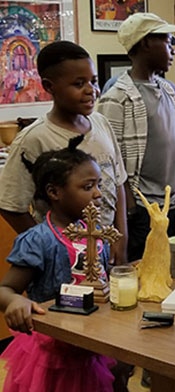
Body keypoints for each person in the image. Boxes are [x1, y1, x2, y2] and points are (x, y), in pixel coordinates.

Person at [0, 137, 129, 392]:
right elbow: (6, 288)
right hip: (56, 351)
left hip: (93, 342)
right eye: (87, 187)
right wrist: (13, 302)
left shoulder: (97, 234)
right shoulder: (38, 240)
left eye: (98, 184)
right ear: (54, 192)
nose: (97, 194)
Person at [0, 41, 128, 265]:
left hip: (106, 248)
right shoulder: (34, 139)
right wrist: (50, 244)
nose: (91, 90)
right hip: (66, 259)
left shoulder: (102, 124)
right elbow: (11, 206)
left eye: (93, 81)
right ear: (50, 86)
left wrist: (121, 236)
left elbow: (118, 182)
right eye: (79, 84)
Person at [97, 12, 175, 262]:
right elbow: (109, 157)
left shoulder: (169, 89)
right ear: (146, 43)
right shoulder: (116, 97)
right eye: (168, 41)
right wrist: (130, 205)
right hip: (143, 207)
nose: (173, 49)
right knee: (146, 268)